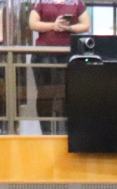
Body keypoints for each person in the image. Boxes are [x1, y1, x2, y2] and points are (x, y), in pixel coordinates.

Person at [28, 0, 89, 130]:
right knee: (45, 94)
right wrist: (53, 25)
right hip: (43, 53)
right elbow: (32, 24)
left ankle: (67, 131)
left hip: (68, 53)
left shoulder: (76, 2)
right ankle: (46, 131)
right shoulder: (41, 1)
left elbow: (86, 25)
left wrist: (69, 28)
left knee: (68, 93)